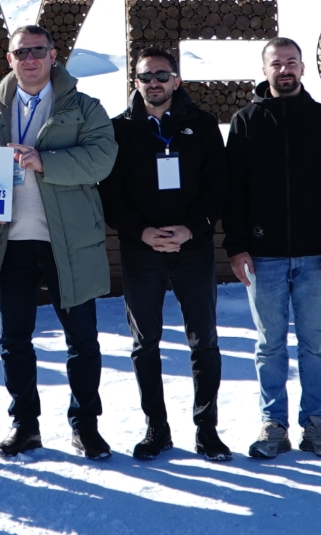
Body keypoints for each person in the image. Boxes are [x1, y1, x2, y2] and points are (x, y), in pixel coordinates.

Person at [0, 25, 120, 460]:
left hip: (67, 242)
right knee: (14, 340)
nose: (30, 59)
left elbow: (102, 158)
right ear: (10, 60)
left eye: (38, 50)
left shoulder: (84, 107)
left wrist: (44, 161)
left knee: (82, 340)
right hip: (11, 242)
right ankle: (25, 425)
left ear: (54, 56)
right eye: (21, 52)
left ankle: (85, 426)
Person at [100, 47, 234, 461]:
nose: (154, 83)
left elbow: (218, 185)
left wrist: (190, 228)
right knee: (145, 344)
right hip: (142, 251)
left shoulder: (203, 124)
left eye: (162, 75)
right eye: (146, 77)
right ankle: (156, 428)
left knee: (204, 341)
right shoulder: (118, 129)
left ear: (176, 80)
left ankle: (206, 429)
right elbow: (110, 193)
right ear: (135, 82)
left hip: (193, 248)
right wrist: (141, 232)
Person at [223, 38, 321, 460]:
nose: (284, 70)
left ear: (302, 68)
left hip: (317, 256)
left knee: (315, 346)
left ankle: (315, 423)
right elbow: (233, 191)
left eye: (291, 62)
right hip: (264, 255)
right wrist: (237, 246)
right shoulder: (246, 121)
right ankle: (273, 424)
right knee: (269, 346)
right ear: (264, 71)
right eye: (276, 63)